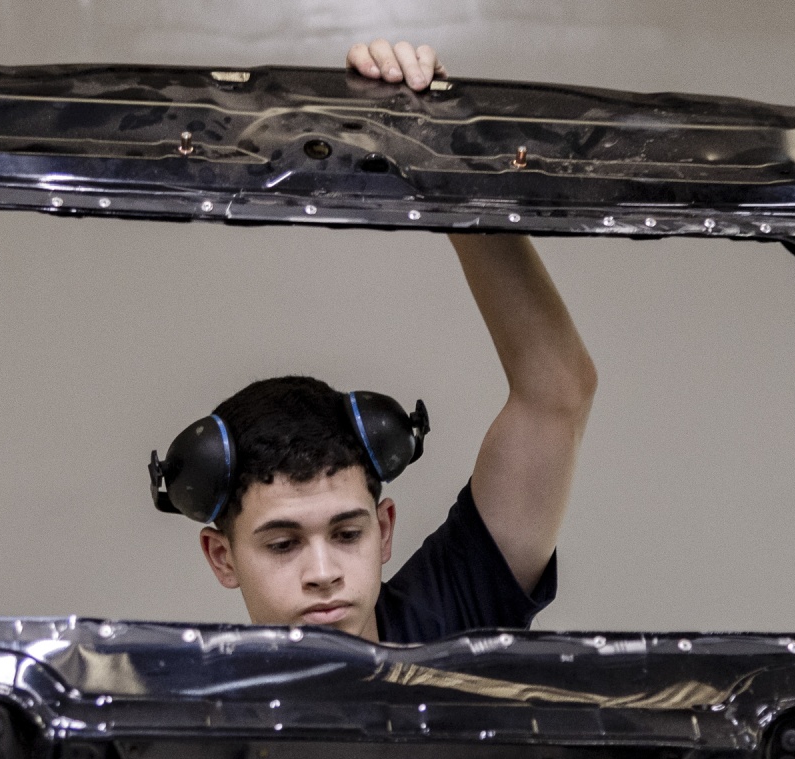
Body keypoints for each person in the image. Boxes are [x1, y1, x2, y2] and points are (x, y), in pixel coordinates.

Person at [166, 40, 598, 645]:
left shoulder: (444, 619)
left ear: (384, 529)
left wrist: (438, 147)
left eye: (348, 534)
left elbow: (556, 392)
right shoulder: (192, 694)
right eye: (283, 544)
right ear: (222, 557)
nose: (324, 574)